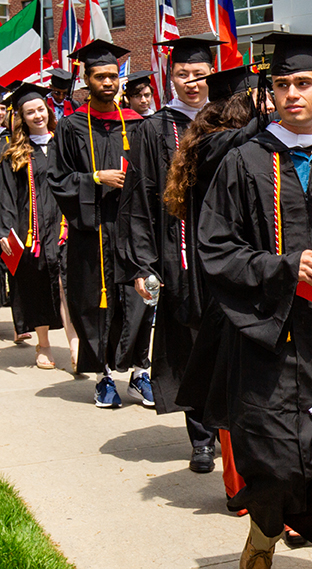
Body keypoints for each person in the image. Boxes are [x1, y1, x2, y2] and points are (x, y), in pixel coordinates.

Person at [197, 33, 312, 569]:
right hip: (271, 336)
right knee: (278, 462)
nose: (292, 94)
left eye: (304, 83)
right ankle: (265, 526)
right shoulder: (245, 160)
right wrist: (284, 268)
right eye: (281, 85)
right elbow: (216, 246)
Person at [167, 64, 271, 509]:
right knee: (234, 387)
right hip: (227, 288)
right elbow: (235, 142)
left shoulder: (233, 143)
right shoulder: (218, 147)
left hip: (252, 280)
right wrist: (263, 120)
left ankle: (253, 485)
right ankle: (239, 486)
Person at [117, 35, 218, 469]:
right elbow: (138, 200)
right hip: (178, 253)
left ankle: (231, 429)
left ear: (212, 73)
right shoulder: (154, 129)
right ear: (169, 76)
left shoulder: (231, 120)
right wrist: (143, 263)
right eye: (183, 75)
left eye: (199, 74)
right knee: (190, 344)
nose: (192, 83)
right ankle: (201, 437)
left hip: (228, 250)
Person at [47, 40, 145, 408]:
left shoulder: (136, 124)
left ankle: (139, 372)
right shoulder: (71, 127)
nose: (108, 82)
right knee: (93, 302)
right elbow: (57, 180)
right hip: (91, 230)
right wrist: (94, 178)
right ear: (86, 81)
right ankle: (103, 376)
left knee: (139, 298)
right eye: (100, 76)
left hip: (133, 228)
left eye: (112, 76)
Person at [0, 83, 78, 370]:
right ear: (22, 117)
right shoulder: (13, 151)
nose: (37, 115)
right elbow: (5, 192)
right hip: (29, 228)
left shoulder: (63, 143)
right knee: (37, 285)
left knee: (66, 283)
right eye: (30, 112)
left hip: (63, 225)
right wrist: (4, 230)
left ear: (48, 111)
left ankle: (74, 341)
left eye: (40, 110)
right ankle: (43, 343)